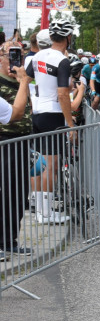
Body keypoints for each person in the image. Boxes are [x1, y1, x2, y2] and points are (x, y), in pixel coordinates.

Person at [24, 18, 77, 224]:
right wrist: (70, 124)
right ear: (68, 38)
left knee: (38, 163)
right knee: (51, 165)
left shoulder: (37, 56)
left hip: (36, 112)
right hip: (53, 114)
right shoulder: (62, 60)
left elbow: (25, 81)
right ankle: (45, 214)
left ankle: (39, 209)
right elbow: (63, 94)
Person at [0, 51, 33, 260]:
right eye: (8, 54)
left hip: (20, 141)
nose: (15, 59)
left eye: (19, 54)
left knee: (18, 193)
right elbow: (16, 113)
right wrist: (23, 83)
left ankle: (9, 240)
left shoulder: (21, 79)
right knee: (6, 192)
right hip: (5, 141)